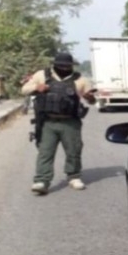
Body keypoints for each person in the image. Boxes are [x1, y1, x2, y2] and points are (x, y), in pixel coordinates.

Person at [21, 52, 96, 195]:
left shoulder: (80, 80)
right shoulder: (42, 75)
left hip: (70, 122)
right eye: (61, 65)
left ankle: (74, 176)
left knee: (74, 150)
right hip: (48, 122)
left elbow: (92, 100)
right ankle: (42, 180)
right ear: (55, 65)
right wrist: (37, 87)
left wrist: (89, 97)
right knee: (45, 152)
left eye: (67, 66)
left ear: (71, 66)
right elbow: (24, 89)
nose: (64, 68)